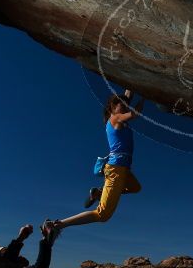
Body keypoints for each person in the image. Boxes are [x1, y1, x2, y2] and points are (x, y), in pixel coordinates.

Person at [40, 90, 144, 246]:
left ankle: (98, 193)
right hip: (115, 170)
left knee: (135, 187)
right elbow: (135, 113)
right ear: (112, 107)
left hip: (123, 169)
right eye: (121, 106)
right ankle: (56, 225)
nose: (125, 107)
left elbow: (127, 97)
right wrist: (145, 96)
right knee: (102, 215)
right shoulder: (115, 118)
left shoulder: (119, 114)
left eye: (125, 105)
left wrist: (133, 87)